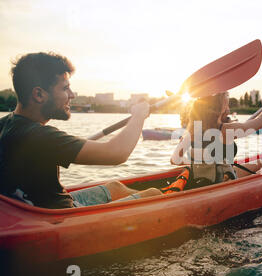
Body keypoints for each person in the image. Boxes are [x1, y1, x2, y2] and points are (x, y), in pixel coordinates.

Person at [0, 52, 162, 209]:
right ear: (39, 94)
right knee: (154, 193)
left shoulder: (6, 124)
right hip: (60, 217)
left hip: (46, 204)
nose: (72, 95)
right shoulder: (39, 136)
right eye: (65, 88)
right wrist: (139, 115)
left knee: (115, 187)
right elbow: (117, 153)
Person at [170, 91, 262, 189]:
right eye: (226, 102)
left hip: (201, 181)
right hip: (222, 184)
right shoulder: (225, 130)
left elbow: (175, 160)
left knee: (259, 163)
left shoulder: (191, 131)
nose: (228, 106)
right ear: (218, 107)